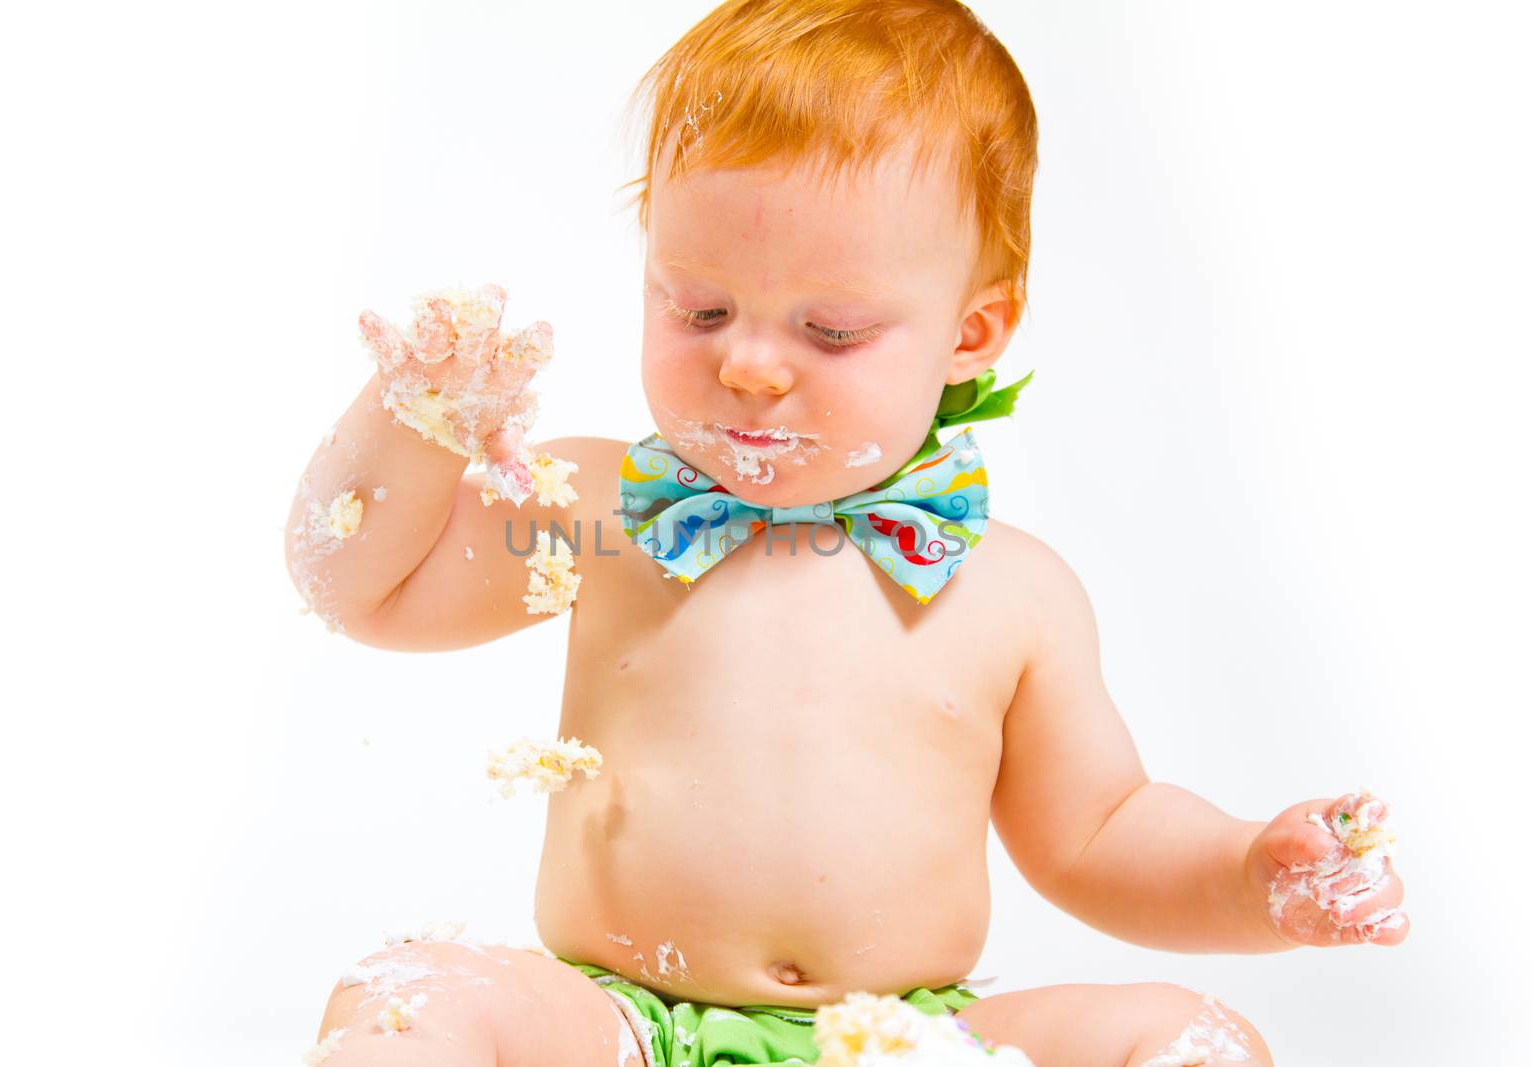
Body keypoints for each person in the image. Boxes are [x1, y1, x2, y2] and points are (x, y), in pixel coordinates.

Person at [283, 3, 1406, 1063]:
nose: (750, 363)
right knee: (411, 991)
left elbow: (1100, 832)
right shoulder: (598, 507)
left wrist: (1252, 873)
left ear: (971, 332)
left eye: (829, 329)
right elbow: (362, 590)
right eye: (698, 308)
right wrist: (416, 417)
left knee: (1183, 1031)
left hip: (904, 1038)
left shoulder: (1011, 592)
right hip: (615, 1029)